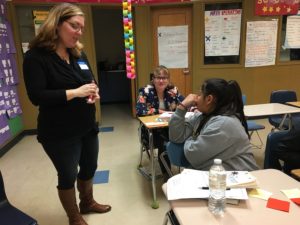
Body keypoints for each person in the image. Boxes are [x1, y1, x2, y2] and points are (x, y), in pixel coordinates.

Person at [22, 3, 111, 225]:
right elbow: (37, 96)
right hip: (58, 132)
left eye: (82, 28)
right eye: (74, 26)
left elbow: (91, 80)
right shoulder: (36, 57)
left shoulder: (78, 54)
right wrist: (75, 92)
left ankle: (87, 202)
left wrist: (93, 91)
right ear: (57, 23)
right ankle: (74, 216)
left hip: (86, 125)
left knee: (90, 166)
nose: (79, 32)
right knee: (68, 174)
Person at [168, 78, 259, 171]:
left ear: (209, 99)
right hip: (219, 177)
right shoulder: (202, 116)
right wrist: (182, 107)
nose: (195, 97)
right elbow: (176, 137)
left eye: (199, 94)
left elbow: (193, 154)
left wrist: (191, 138)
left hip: (241, 179)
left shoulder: (224, 124)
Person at [136, 65, 184, 178]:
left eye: (164, 78)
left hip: (170, 127)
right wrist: (159, 111)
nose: (161, 80)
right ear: (153, 79)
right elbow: (140, 110)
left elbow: (184, 103)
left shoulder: (173, 90)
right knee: (165, 143)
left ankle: (185, 171)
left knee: (185, 137)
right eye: (158, 77)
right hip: (151, 130)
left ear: (168, 79)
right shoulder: (145, 91)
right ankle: (167, 175)